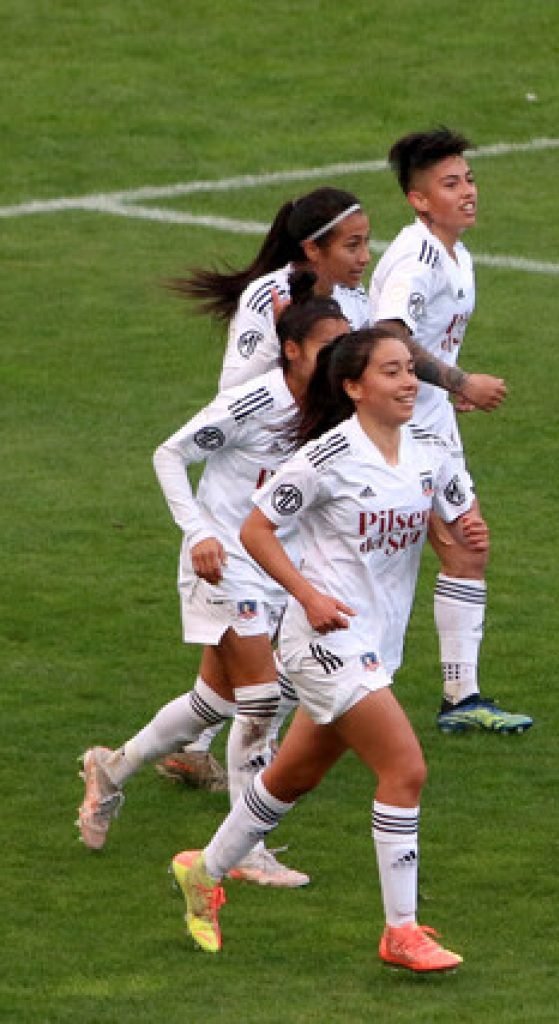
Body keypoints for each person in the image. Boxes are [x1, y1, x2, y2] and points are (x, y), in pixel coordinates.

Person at [171, 326, 484, 972]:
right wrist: (306, 595)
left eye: (409, 371)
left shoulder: (424, 451)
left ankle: (203, 872)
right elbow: (255, 531)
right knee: (406, 769)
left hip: (378, 641)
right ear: (353, 387)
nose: (407, 382)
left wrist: (454, 538)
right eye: (392, 372)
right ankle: (401, 932)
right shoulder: (325, 457)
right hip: (324, 640)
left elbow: (429, 515)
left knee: (292, 776)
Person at [77, 279, 350, 888]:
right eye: (327, 346)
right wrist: (198, 532)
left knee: (218, 702)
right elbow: (169, 454)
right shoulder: (253, 403)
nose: (339, 356)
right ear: (292, 351)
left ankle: (110, 768)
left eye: (345, 344)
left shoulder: (336, 408)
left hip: (280, 566)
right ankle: (247, 849)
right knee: (259, 700)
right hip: (222, 560)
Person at [156, 187, 374, 789]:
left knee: (230, 672)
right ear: (313, 248)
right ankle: (249, 817)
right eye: (352, 244)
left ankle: (153, 755)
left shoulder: (352, 302)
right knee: (260, 674)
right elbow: (240, 392)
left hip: (299, 494)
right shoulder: (269, 295)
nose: (364, 255)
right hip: (247, 494)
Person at [370, 126, 532, 735]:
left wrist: (440, 385)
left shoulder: (456, 255)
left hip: (429, 421)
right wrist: (459, 381)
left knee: (468, 548)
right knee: (378, 569)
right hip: (399, 430)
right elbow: (390, 335)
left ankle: (461, 699)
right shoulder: (416, 257)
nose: (468, 192)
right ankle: (252, 702)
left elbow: (419, 347)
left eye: (468, 179)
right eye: (450, 184)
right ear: (418, 199)